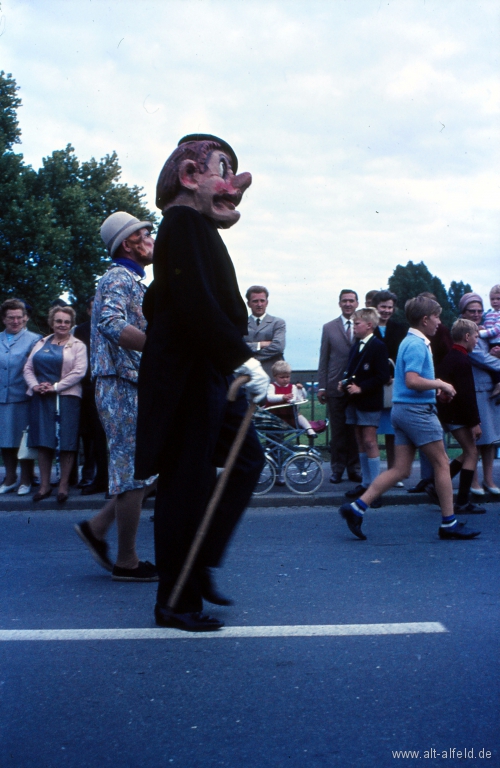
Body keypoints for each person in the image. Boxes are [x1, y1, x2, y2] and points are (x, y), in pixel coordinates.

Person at [135, 133, 268, 632]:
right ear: (190, 176)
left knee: (247, 459)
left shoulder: (196, 228)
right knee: (186, 484)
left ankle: (201, 559)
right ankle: (176, 600)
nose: (234, 184)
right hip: (188, 378)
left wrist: (233, 361)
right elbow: (192, 301)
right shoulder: (182, 222)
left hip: (209, 371)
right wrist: (243, 358)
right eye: (222, 169)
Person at [338, 295, 480, 541]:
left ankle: (357, 508)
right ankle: (449, 523)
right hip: (417, 412)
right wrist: (441, 384)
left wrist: (434, 388)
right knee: (442, 464)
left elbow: (409, 380)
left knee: (401, 469)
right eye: (436, 317)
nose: (439, 321)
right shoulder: (417, 344)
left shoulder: (409, 341)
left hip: (402, 410)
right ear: (425, 319)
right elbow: (413, 380)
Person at [74, 211, 158, 582]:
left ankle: (96, 528)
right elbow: (110, 323)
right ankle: (126, 562)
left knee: (151, 467)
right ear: (129, 243)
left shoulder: (133, 280)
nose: (152, 238)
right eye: (146, 233)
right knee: (131, 471)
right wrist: (159, 349)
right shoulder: (118, 277)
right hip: (119, 382)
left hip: (130, 381)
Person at [23, 305, 87, 503]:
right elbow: (28, 367)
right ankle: (44, 486)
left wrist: (56, 386)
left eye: (67, 322)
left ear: (71, 324)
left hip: (66, 397)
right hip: (41, 398)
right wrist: (35, 386)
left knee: (66, 442)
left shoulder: (78, 345)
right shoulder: (41, 342)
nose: (62, 325)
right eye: (59, 321)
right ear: (52, 322)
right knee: (43, 441)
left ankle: (63, 485)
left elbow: (79, 371)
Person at [341, 308, 390, 505]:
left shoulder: (378, 346)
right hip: (354, 400)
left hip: (368, 400)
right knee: (360, 439)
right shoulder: (356, 346)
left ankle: (375, 489)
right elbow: (352, 370)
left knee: (370, 441)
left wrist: (361, 388)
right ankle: (366, 482)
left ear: (369, 325)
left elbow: (383, 376)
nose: (354, 327)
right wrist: (344, 383)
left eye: (357, 324)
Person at [435, 318, 485, 514]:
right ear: (466, 336)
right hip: (458, 416)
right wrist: (475, 423)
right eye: (475, 337)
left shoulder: (450, 357)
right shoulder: (463, 361)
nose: (476, 341)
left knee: (468, 452)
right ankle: (463, 501)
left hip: (450, 414)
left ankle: (434, 485)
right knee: (472, 453)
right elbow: (466, 395)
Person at [317, 289, 361, 484]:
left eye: (351, 301)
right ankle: (337, 470)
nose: (348, 304)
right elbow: (323, 359)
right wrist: (321, 386)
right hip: (335, 387)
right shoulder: (329, 327)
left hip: (358, 387)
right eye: (345, 301)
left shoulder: (364, 325)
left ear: (357, 303)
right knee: (338, 432)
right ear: (339, 303)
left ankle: (355, 469)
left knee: (356, 431)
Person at [458, 293, 500, 496]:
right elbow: (479, 357)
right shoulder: (462, 332)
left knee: (491, 438)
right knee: (475, 438)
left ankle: (489, 479)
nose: (476, 315)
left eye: (479, 311)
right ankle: (473, 480)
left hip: (490, 388)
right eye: (471, 311)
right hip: (474, 389)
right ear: (463, 312)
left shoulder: (485, 331)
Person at [0, 299, 42, 495]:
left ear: (25, 318)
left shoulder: (35, 340)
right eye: (11, 318)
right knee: (5, 439)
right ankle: (10, 477)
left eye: (19, 317)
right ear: (4, 319)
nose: (15, 321)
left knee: (23, 440)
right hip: (2, 397)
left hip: (24, 398)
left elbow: (36, 369)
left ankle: (26, 478)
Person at [73, 297, 109, 495]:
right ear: (88, 311)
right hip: (90, 388)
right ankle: (99, 478)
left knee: (115, 438)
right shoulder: (81, 330)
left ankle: (115, 481)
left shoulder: (115, 326)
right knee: (95, 436)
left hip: (113, 386)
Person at [372, 290, 408, 478]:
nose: (386, 311)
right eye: (383, 307)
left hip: (393, 385)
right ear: (375, 307)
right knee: (370, 433)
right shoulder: (369, 327)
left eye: (389, 307)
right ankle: (372, 474)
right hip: (373, 386)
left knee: (392, 433)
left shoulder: (400, 328)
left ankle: (393, 472)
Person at [265, 360, 317, 436]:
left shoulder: (292, 387)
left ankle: (309, 429)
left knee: (298, 415)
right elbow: (270, 397)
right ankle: (273, 446)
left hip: (289, 413)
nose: (285, 379)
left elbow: (300, 399)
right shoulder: (272, 386)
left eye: (287, 377)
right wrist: (282, 397)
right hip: (274, 414)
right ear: (275, 376)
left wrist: (301, 389)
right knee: (273, 435)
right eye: (282, 377)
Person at [243, 286, 286, 377]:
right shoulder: (241, 324)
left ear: (267, 302)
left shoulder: (277, 323)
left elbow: (278, 347)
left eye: (262, 301)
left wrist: (250, 357)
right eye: (255, 301)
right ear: (249, 304)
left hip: (272, 375)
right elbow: (237, 346)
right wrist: (260, 344)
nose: (259, 304)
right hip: (248, 376)